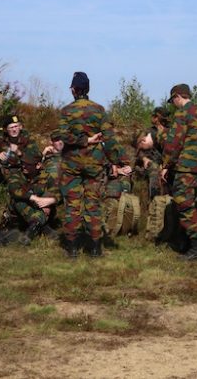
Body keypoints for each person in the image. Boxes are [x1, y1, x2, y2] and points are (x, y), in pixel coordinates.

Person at [52, 71, 125, 259]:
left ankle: (73, 248)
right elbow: (109, 139)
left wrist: (82, 140)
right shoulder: (99, 110)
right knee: (93, 205)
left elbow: (63, 135)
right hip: (94, 164)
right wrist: (117, 162)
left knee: (72, 205)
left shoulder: (67, 111)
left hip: (72, 165)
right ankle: (94, 248)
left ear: (74, 89)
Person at [157, 83, 197, 260]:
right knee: (192, 204)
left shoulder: (182, 114)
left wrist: (165, 165)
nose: (173, 104)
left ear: (178, 96)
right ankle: (188, 244)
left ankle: (196, 248)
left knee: (184, 206)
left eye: (173, 100)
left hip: (184, 168)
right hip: (196, 168)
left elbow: (174, 144)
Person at [0, 113, 42, 209]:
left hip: (20, 171)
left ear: (20, 127)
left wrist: (19, 153)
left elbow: (36, 157)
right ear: (6, 129)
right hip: (3, 170)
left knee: (15, 187)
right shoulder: (1, 138)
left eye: (16, 126)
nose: (14, 129)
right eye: (11, 127)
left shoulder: (28, 139)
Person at [6, 146, 59, 245]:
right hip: (19, 214)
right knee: (18, 200)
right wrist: (34, 198)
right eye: (23, 163)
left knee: (48, 197)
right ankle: (42, 227)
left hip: (43, 210)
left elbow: (58, 192)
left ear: (38, 165)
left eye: (28, 164)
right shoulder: (17, 175)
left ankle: (33, 229)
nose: (24, 166)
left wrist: (49, 201)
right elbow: (14, 189)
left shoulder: (47, 176)